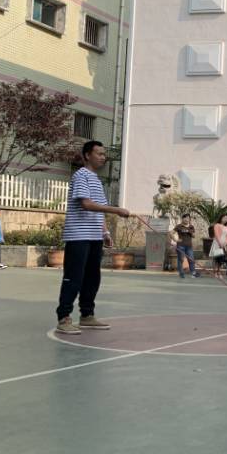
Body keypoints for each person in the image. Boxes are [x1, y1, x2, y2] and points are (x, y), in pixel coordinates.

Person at [54, 140, 130, 335]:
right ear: (87, 155)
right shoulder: (81, 175)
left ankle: (87, 315)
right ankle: (64, 317)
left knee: (92, 278)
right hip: (78, 236)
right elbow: (86, 204)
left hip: (94, 237)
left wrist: (105, 233)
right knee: (74, 277)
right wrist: (116, 210)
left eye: (104, 154)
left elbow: (99, 211)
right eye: (99, 154)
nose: (103, 157)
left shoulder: (96, 179)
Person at [172, 214, 200, 279]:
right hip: (180, 246)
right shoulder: (179, 226)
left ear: (189, 219)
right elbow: (171, 233)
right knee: (181, 260)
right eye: (185, 218)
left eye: (188, 218)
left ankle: (193, 273)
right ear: (182, 219)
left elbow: (194, 236)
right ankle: (181, 273)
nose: (187, 219)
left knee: (191, 259)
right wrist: (175, 240)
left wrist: (190, 232)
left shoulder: (191, 226)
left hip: (189, 246)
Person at [211, 213, 227, 278]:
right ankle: (215, 272)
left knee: (222, 259)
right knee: (217, 258)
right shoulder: (217, 225)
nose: (225, 219)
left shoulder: (226, 227)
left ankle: (219, 271)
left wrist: (225, 243)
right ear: (221, 218)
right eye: (224, 218)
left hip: (223, 245)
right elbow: (216, 235)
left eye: (226, 218)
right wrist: (220, 243)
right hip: (217, 244)